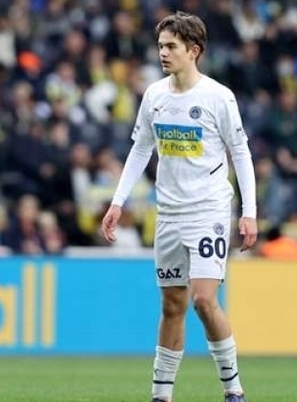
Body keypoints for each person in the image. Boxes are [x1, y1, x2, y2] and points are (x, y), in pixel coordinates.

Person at [100, 12, 258, 402]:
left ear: (194, 50)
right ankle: (161, 395)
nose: (163, 53)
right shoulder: (154, 95)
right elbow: (141, 149)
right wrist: (117, 201)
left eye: (171, 46)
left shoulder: (218, 97)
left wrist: (249, 212)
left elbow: (241, 153)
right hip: (168, 213)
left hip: (208, 210)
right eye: (161, 46)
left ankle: (233, 390)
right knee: (172, 305)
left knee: (203, 300)